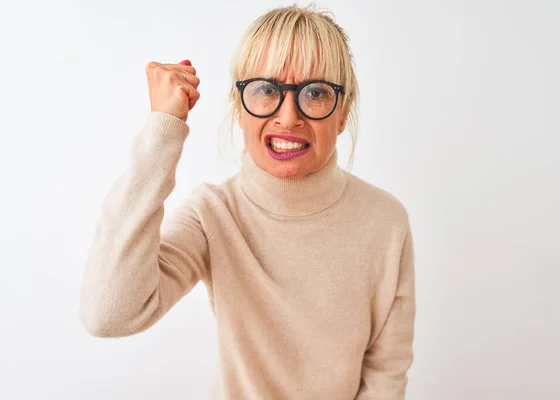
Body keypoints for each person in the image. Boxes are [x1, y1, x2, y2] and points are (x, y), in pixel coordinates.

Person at [80, 4, 416, 399]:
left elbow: (385, 373)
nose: (288, 118)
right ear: (239, 108)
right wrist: (162, 131)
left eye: (317, 92)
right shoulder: (213, 214)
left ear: (343, 113)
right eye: (266, 90)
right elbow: (107, 315)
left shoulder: (385, 221)